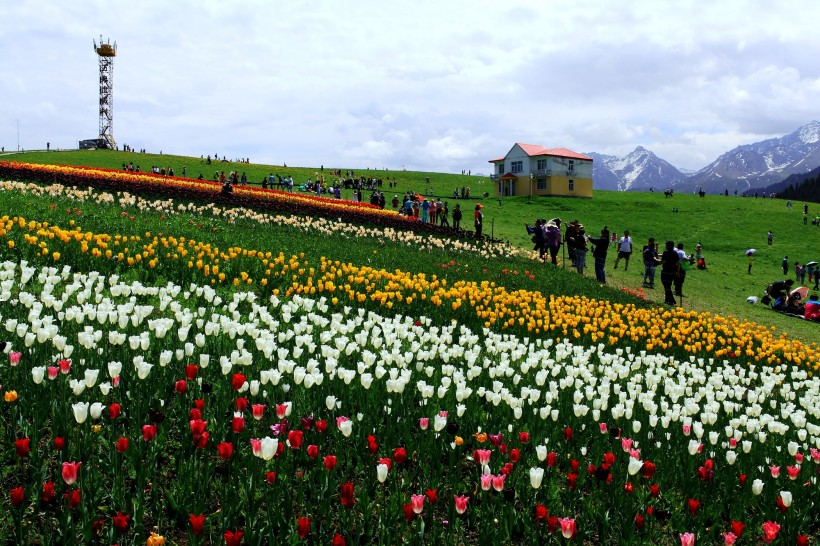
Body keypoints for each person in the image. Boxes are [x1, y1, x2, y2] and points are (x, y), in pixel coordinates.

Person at [660, 240, 681, 305]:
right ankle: (667, 300)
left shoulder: (666, 252)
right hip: (672, 272)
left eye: (666, 245)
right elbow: (678, 263)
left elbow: (663, 262)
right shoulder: (675, 253)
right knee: (668, 285)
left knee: (666, 286)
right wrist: (677, 272)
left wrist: (656, 260)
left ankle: (671, 300)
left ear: (668, 246)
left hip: (666, 271)